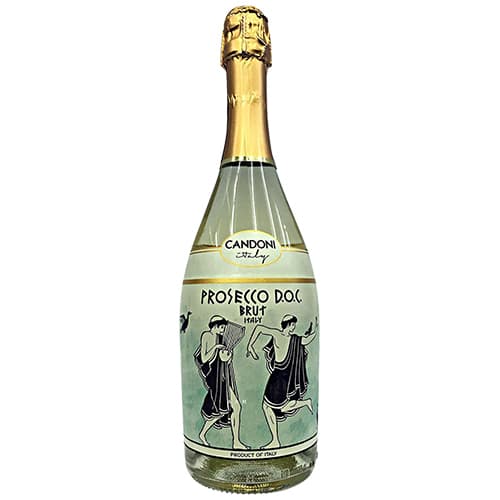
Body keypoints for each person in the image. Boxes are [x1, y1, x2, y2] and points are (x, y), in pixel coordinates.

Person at [246, 314, 317, 448]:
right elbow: (259, 327)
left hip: (280, 376)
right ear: (287, 325)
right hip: (280, 375)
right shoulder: (279, 335)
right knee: (280, 407)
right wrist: (250, 345)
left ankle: (275, 440)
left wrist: (314, 330)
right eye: (292, 325)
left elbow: (307, 340)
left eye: (294, 325)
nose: (293, 328)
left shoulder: (291, 338)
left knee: (268, 406)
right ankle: (305, 403)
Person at [194, 315, 246, 449]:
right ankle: (204, 434)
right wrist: (216, 347)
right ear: (215, 326)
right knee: (223, 409)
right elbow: (204, 358)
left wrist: (228, 357)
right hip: (213, 377)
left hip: (221, 376)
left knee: (233, 407)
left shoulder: (221, 338)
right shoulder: (207, 335)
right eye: (222, 327)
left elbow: (224, 360)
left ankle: (236, 442)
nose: (223, 330)